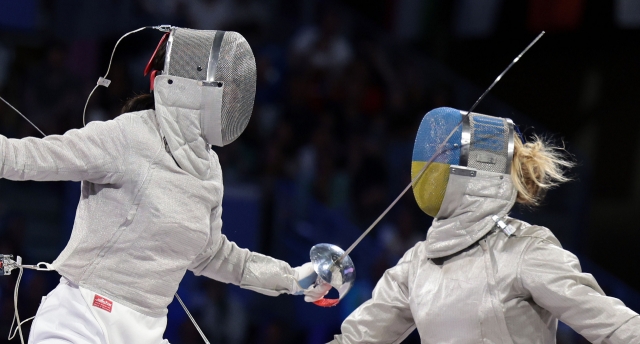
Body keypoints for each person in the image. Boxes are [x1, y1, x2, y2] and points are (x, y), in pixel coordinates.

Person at [0, 27, 328, 343]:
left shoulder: (209, 169)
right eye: (229, 89)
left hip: (147, 331)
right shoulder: (129, 135)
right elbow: (28, 156)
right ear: (195, 86)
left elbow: (214, 256)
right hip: (82, 319)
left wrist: (295, 279)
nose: (236, 99)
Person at [329, 107, 640, 343]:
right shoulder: (418, 263)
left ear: (478, 176)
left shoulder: (524, 250)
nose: (428, 167)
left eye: (442, 158)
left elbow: (616, 326)